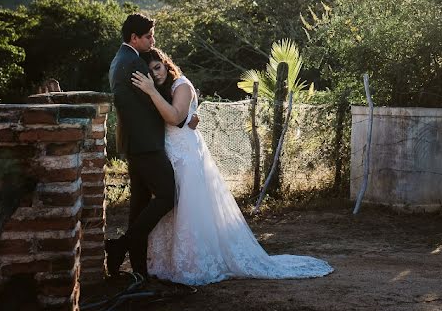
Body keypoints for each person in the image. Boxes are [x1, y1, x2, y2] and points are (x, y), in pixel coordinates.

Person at [131, 47, 333, 285]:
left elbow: (175, 117)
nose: (156, 74)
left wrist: (154, 93)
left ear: (166, 64)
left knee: (190, 210)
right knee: (171, 212)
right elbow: (177, 118)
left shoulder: (181, 85)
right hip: (170, 154)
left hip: (186, 157)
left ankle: (194, 263)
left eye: (158, 67)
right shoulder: (163, 89)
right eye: (151, 71)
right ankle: (169, 261)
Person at [105, 13, 192, 278]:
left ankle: (138, 269)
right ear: (134, 38)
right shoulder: (133, 63)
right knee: (169, 195)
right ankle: (121, 246)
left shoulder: (120, 60)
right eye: (149, 36)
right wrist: (184, 117)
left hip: (136, 144)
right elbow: (152, 106)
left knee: (139, 207)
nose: (153, 40)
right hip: (147, 146)